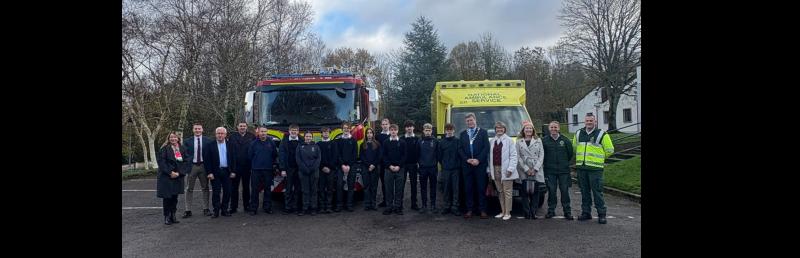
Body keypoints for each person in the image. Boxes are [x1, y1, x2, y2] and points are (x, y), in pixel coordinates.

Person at [574, 114, 615, 224]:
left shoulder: (602, 134)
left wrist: (600, 159)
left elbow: (610, 150)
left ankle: (601, 214)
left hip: (595, 169)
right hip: (582, 168)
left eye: (591, 120)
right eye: (587, 120)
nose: (589, 122)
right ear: (584, 121)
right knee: (584, 192)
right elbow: (575, 148)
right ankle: (586, 213)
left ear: (595, 121)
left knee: (597, 192)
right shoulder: (578, 133)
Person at [458, 113, 490, 219]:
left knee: (481, 188)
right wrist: (467, 159)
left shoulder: (483, 132)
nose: (469, 122)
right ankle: (469, 209)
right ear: (465, 122)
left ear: (475, 120)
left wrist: (478, 160)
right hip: (467, 165)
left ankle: (482, 210)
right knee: (468, 188)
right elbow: (460, 149)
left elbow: (486, 148)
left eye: (471, 120)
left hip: (479, 165)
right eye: (467, 121)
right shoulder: (462, 134)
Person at [543, 121, 574, 220]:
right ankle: (551, 211)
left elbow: (570, 154)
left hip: (563, 171)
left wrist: (564, 163)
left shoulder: (565, 140)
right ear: (549, 129)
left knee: (564, 191)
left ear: (559, 128)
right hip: (550, 171)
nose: (553, 129)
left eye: (555, 127)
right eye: (551, 127)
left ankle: (567, 212)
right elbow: (542, 155)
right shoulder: (544, 140)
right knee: (551, 191)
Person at [487, 121, 518, 221]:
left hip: (506, 169)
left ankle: (508, 212)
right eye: (497, 128)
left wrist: (510, 169)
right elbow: (489, 157)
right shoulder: (492, 141)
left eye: (501, 128)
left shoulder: (509, 140)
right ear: (495, 130)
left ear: (504, 129)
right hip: (495, 168)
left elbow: (514, 156)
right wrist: (489, 169)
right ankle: (502, 211)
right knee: (500, 191)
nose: (499, 130)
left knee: (507, 191)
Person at [182, 123, 213, 218]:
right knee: (189, 189)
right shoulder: (187, 141)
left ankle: (206, 208)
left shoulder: (208, 141)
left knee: (205, 188)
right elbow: (184, 154)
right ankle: (188, 210)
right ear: (193, 130)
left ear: (202, 130)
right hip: (192, 167)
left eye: (199, 129)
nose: (197, 130)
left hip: (204, 166)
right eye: (195, 129)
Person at [156, 131, 188, 225]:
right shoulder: (164, 149)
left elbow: (186, 162)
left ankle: (173, 215)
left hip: (178, 177)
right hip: (166, 177)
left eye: (175, 137)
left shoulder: (182, 149)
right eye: (171, 137)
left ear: (178, 138)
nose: (173, 139)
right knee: (167, 198)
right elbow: (162, 163)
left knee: (175, 198)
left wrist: (179, 173)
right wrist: (170, 172)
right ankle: (167, 216)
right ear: (168, 139)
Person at [203, 127, 236, 218]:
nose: (220, 135)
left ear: (225, 135)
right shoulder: (210, 145)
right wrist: (209, 173)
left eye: (222, 133)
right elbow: (207, 160)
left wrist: (233, 171)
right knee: (216, 192)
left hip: (227, 172)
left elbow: (234, 159)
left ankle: (224, 210)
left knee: (227, 192)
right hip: (215, 172)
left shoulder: (231, 145)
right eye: (218, 133)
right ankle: (216, 211)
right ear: (215, 134)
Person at [516, 122, 544, 220]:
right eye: (526, 128)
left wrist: (535, 168)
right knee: (524, 192)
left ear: (533, 130)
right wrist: (526, 169)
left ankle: (534, 212)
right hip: (524, 168)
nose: (528, 130)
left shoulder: (538, 140)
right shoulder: (519, 141)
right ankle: (526, 212)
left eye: (530, 128)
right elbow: (518, 156)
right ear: (523, 130)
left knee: (535, 192)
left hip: (536, 168)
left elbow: (541, 155)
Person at [248, 126, 278, 215]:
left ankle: (267, 207)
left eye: (265, 131)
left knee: (268, 190)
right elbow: (250, 156)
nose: (263, 133)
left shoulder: (271, 143)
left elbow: (274, 155)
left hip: (268, 170)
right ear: (258, 132)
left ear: (267, 132)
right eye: (262, 131)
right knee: (254, 190)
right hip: (256, 170)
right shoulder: (253, 143)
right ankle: (253, 208)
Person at [228, 122, 255, 214]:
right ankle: (233, 207)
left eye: (244, 126)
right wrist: (231, 168)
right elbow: (230, 153)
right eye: (241, 126)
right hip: (235, 166)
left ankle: (246, 205)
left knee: (246, 187)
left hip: (247, 166)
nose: (242, 127)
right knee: (234, 188)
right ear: (237, 127)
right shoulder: (232, 137)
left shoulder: (252, 136)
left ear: (247, 127)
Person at [381, 124, 406, 215]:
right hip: (389, 169)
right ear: (389, 131)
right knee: (389, 189)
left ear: (397, 131)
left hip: (400, 169)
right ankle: (389, 207)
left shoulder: (402, 142)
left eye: (395, 130)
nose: (393, 132)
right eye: (391, 130)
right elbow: (384, 156)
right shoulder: (386, 142)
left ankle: (398, 207)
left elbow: (404, 155)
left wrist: (399, 166)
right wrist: (390, 166)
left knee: (399, 189)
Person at [438, 123, 461, 216]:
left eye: (451, 130)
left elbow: (460, 154)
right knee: (446, 188)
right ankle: (446, 206)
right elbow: (439, 156)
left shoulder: (458, 141)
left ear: (454, 130)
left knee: (456, 189)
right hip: (446, 169)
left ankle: (455, 207)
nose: (449, 131)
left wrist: (457, 165)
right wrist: (444, 164)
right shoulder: (442, 142)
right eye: (447, 130)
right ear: (445, 131)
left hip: (456, 169)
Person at [295, 131, 321, 216]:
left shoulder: (316, 146)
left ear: (312, 137)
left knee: (314, 190)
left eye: (310, 136)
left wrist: (313, 168)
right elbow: (298, 159)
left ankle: (313, 208)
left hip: (314, 171)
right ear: (304, 137)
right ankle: (305, 208)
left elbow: (318, 159)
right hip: (303, 172)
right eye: (307, 136)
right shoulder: (300, 146)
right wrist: (305, 168)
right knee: (305, 190)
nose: (308, 138)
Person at [335, 122, 358, 212]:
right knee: (339, 185)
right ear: (342, 129)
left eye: (348, 128)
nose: (346, 129)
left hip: (351, 166)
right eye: (344, 128)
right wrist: (342, 165)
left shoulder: (353, 140)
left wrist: (348, 165)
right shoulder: (338, 140)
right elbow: (337, 154)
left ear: (350, 129)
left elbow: (355, 154)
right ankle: (339, 205)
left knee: (351, 185)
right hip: (341, 166)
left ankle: (349, 205)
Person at [279, 124, 303, 215]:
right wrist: (283, 169)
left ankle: (296, 207)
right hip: (288, 168)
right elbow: (281, 156)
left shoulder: (302, 140)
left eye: (296, 130)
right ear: (289, 131)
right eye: (292, 130)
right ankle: (287, 207)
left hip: (299, 169)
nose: (294, 132)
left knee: (298, 189)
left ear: (298, 131)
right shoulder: (284, 141)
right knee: (288, 189)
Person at [417, 123, 439, 214]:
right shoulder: (420, 141)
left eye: (429, 130)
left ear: (431, 131)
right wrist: (420, 163)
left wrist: (435, 163)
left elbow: (438, 154)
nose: (428, 132)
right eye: (426, 130)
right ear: (423, 131)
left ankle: (433, 205)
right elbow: (417, 154)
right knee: (423, 187)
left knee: (433, 187)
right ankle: (424, 205)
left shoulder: (435, 141)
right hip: (423, 168)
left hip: (433, 168)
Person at [360, 127, 382, 211]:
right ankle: (367, 204)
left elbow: (379, 156)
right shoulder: (363, 145)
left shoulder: (377, 144)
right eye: (367, 133)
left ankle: (373, 203)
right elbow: (362, 156)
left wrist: (373, 165)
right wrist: (368, 165)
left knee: (374, 187)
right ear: (365, 134)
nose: (369, 134)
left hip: (375, 168)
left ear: (373, 134)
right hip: (365, 168)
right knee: (366, 187)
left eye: (370, 133)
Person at [401, 120, 420, 211]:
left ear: (413, 127)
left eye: (410, 126)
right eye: (407, 126)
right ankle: (399, 204)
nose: (409, 128)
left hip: (413, 164)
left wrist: (418, 162)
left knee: (414, 185)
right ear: (405, 128)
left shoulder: (417, 139)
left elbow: (419, 152)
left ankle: (414, 204)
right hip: (403, 165)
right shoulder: (401, 139)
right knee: (401, 184)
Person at [317, 127, 337, 214]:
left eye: (327, 132)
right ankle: (321, 207)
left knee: (330, 188)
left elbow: (335, 157)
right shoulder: (318, 144)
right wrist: (322, 167)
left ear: (330, 133)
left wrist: (329, 167)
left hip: (331, 170)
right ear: (321, 134)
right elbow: (317, 158)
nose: (325, 134)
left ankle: (329, 206)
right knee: (321, 189)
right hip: (321, 170)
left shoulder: (333, 143)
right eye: (324, 132)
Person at [376, 118, 391, 208]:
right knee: (384, 183)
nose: (385, 126)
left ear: (389, 125)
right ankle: (385, 200)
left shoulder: (392, 135)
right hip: (382, 163)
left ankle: (391, 201)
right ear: (381, 126)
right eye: (383, 124)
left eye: (386, 124)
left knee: (391, 183)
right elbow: (378, 150)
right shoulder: (378, 137)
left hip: (391, 163)